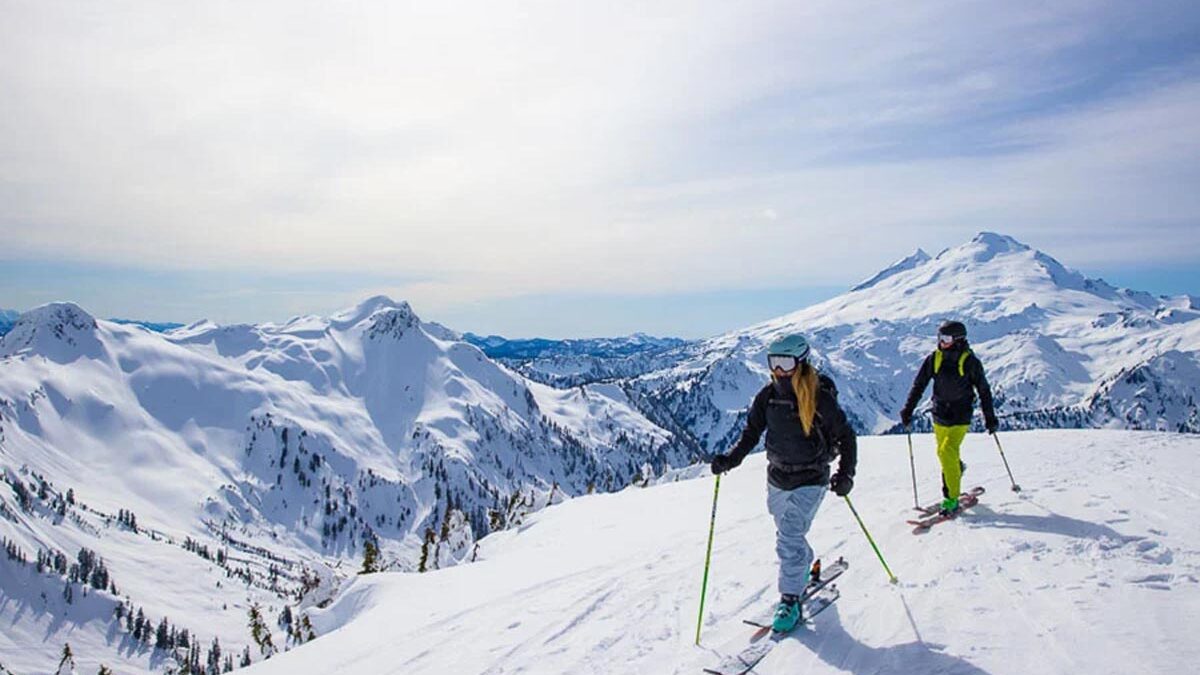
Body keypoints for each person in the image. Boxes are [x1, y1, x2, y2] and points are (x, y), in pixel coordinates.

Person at [710, 334, 857, 633]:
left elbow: (847, 436)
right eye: (773, 362)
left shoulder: (818, 397)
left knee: (788, 536)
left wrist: (846, 474)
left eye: (785, 362)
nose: (778, 369)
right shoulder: (767, 396)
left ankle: (790, 600)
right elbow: (751, 433)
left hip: (811, 478)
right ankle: (801, 568)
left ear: (801, 363)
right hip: (777, 477)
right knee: (787, 532)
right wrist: (730, 459)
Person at [899, 320, 998, 516]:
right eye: (939, 337)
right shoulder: (934, 359)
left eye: (945, 338)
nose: (940, 342)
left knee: (946, 451)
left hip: (960, 416)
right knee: (945, 456)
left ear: (958, 340)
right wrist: (908, 409)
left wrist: (990, 418)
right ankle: (957, 468)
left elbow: (984, 391)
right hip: (939, 415)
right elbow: (919, 385)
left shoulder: (970, 362)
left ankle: (951, 499)